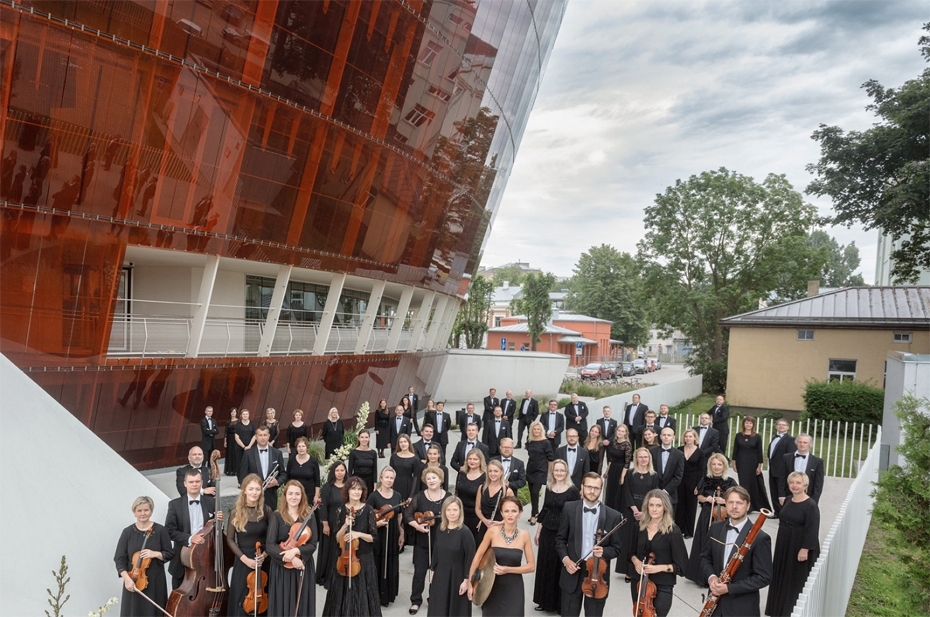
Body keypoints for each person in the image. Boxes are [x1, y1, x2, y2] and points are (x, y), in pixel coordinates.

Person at [555, 473, 624, 617]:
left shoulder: (614, 516)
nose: (592, 491)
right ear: (582, 487)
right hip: (572, 571)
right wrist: (566, 560)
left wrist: (604, 552)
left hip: (597, 575)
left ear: (601, 489)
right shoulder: (569, 509)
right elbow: (560, 540)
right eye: (589, 487)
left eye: (596, 488)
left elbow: (617, 549)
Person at [699, 486, 772, 617]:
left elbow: (763, 577)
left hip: (742, 609)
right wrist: (712, 577)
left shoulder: (760, 538)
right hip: (716, 607)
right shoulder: (715, 528)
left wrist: (729, 588)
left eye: (739, 503)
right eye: (731, 502)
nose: (734, 506)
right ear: (725, 504)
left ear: (748, 505)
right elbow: (705, 558)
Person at [321, 476, 382, 617]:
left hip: (363, 559)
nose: (356, 492)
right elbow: (336, 538)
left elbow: (374, 537)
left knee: (362, 594)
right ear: (347, 491)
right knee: (341, 594)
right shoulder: (341, 510)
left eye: (359, 489)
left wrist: (358, 534)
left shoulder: (368, 510)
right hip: (343, 559)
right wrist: (345, 525)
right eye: (353, 489)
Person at [468, 496, 536, 617]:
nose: (510, 514)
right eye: (506, 511)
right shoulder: (492, 532)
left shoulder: (524, 535)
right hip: (491, 587)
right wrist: (470, 584)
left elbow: (531, 566)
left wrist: (508, 569)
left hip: (514, 588)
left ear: (520, 513)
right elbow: (477, 557)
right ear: (501, 513)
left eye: (514, 511)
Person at [764, 472, 820, 617]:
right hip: (784, 544)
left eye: (798, 483)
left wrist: (805, 549)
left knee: (794, 578)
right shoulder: (788, 499)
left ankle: (790, 611)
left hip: (798, 546)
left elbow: (812, 529)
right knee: (782, 575)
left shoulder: (811, 505)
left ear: (805, 485)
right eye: (792, 483)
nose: (794, 485)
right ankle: (778, 610)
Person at [627, 489, 688, 617]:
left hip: (663, 585)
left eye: (658, 505)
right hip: (639, 582)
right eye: (651, 505)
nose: (654, 509)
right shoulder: (638, 526)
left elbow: (682, 567)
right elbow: (630, 553)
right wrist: (636, 561)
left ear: (665, 508)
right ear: (646, 507)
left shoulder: (673, 532)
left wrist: (659, 568)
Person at [532, 460, 580, 613]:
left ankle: (558, 604)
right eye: (556, 470)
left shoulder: (572, 490)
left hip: (562, 533)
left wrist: (570, 537)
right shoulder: (550, 487)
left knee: (558, 567)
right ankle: (544, 602)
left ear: (566, 472)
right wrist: (539, 529)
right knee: (545, 565)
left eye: (562, 470)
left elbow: (575, 515)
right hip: (547, 530)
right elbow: (545, 509)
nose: (559, 473)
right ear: (552, 472)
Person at [114, 496, 174, 617]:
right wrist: (127, 579)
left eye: (146, 510)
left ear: (151, 511)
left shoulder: (161, 531)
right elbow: (119, 559)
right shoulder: (127, 532)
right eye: (139, 510)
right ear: (134, 512)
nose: (143, 513)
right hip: (133, 581)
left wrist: (155, 554)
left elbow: (170, 553)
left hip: (155, 582)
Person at [685, 453, 738, 584]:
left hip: (724, 515)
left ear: (724, 466)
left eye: (719, 464)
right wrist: (706, 498)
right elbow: (699, 497)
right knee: (704, 542)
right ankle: (703, 576)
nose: (716, 467)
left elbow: (737, 498)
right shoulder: (705, 479)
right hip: (708, 514)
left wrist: (725, 500)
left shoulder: (730, 481)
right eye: (714, 464)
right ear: (710, 466)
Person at [225, 474, 272, 617]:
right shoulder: (236, 513)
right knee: (242, 597)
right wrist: (244, 558)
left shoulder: (267, 510)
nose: (254, 492)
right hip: (243, 560)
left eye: (257, 489)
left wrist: (264, 555)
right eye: (251, 489)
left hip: (262, 561)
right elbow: (230, 539)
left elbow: (271, 539)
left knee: (263, 597)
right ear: (244, 490)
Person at [165, 469, 220, 589]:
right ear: (185, 483)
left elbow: (217, 532)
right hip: (182, 560)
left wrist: (219, 522)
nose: (194, 484)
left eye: (197, 481)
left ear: (202, 482)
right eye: (191, 482)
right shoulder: (175, 504)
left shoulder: (211, 502)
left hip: (206, 558)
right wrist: (190, 538)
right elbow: (169, 531)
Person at [406, 468, 450, 614]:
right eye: (429, 478)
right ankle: (415, 600)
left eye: (434, 478)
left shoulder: (448, 497)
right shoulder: (419, 496)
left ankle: (434, 598)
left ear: (440, 479)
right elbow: (408, 515)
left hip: (442, 543)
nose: (431, 481)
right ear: (425, 481)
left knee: (438, 573)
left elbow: (455, 516)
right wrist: (417, 526)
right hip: (422, 542)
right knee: (419, 573)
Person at [428, 496, 476, 617]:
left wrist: (466, 581)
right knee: (438, 607)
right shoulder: (441, 529)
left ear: (460, 511)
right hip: (440, 575)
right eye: (448, 510)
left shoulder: (465, 532)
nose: (452, 513)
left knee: (455, 610)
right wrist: (432, 571)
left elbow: (470, 558)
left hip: (457, 577)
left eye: (455, 510)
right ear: (444, 511)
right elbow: (436, 552)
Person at [616, 448, 660, 579]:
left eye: (645, 457)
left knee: (642, 539)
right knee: (629, 539)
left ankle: (642, 567)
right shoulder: (630, 473)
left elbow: (654, 495)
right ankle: (628, 570)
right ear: (636, 459)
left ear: (649, 458)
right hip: (631, 510)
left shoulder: (654, 475)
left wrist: (644, 511)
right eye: (640, 457)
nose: (643, 459)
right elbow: (626, 492)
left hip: (647, 510)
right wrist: (635, 510)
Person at [368, 466, 405, 608]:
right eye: (386, 477)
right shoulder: (373, 496)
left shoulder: (397, 495)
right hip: (378, 535)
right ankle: (376, 595)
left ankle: (388, 594)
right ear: (381, 478)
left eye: (391, 478)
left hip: (392, 533)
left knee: (391, 562)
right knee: (377, 562)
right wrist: (377, 524)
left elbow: (399, 515)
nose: (389, 480)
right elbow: (369, 516)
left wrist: (401, 533)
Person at [239, 425, 287, 510]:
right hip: (253, 497)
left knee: (271, 521)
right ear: (256, 437)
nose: (263, 438)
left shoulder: (277, 453)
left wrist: (277, 482)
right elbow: (242, 477)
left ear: (269, 436)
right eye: (260, 435)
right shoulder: (248, 454)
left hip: (271, 496)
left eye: (265, 435)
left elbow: (283, 474)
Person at [731, 416, 771, 513]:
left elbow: (759, 451)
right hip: (741, 461)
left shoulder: (757, 436)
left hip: (753, 462)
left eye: (750, 423)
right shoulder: (738, 435)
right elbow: (735, 450)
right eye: (746, 423)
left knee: (752, 484)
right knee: (743, 484)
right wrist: (734, 463)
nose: (748, 425)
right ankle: (744, 505)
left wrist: (759, 466)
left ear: (753, 425)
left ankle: (752, 505)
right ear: (743, 424)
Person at [317, 461, 346, 588]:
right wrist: (325, 524)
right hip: (331, 523)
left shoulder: (350, 486)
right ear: (333, 472)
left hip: (345, 523)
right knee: (331, 549)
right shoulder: (327, 487)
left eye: (342, 470)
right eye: (337, 470)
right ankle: (329, 575)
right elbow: (322, 507)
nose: (340, 473)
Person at [675, 428, 705, 538]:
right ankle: (678, 530)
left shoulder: (700, 452)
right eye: (686, 436)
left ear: (694, 438)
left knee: (691, 507)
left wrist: (699, 485)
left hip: (693, 481)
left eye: (690, 436)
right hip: (679, 481)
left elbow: (701, 470)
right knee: (679, 506)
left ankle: (688, 531)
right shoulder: (679, 449)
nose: (688, 438)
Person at [455, 449, 487, 544]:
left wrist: (483, 518)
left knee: (473, 543)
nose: (472, 461)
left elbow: (485, 500)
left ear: (480, 460)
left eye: (475, 459)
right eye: (470, 459)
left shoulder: (485, 477)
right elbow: (457, 492)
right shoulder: (462, 473)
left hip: (475, 516)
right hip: (460, 514)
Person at [525, 420, 555, 525]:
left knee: (535, 492)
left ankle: (533, 516)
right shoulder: (530, 441)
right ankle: (536, 511)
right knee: (532, 494)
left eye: (538, 429)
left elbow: (550, 458)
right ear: (531, 430)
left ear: (541, 430)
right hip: (530, 470)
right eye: (534, 429)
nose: (536, 431)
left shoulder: (545, 442)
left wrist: (549, 473)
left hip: (541, 471)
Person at [782, 433, 824, 504]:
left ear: (810, 445)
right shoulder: (786, 458)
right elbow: (782, 478)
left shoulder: (817, 462)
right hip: (788, 495)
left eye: (805, 442)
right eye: (800, 442)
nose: (802, 444)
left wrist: (814, 500)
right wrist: (781, 495)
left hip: (808, 496)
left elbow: (818, 483)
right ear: (796, 443)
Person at [650, 427, 685, 516]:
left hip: (670, 494)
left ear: (673, 437)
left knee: (668, 523)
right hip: (653, 491)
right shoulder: (652, 451)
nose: (666, 437)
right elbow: (650, 471)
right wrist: (657, 489)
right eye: (664, 435)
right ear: (660, 436)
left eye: (669, 435)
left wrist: (665, 491)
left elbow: (678, 476)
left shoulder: (679, 454)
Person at [766, 418, 797, 518]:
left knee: (782, 492)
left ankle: (784, 512)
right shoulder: (774, 438)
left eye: (783, 425)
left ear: (787, 427)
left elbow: (790, 456)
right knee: (773, 491)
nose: (781, 426)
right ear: (776, 426)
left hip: (782, 470)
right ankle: (777, 512)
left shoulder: (790, 440)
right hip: (773, 469)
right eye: (779, 424)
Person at [476, 460, 514, 537]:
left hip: (500, 527)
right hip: (485, 525)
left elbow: (513, 514)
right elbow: (478, 508)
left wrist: (499, 523)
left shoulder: (507, 491)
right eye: (490, 471)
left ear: (501, 472)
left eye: (496, 471)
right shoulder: (482, 488)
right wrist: (484, 520)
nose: (492, 474)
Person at [604, 424, 633, 511]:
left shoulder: (627, 445)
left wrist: (622, 476)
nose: (620, 432)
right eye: (619, 430)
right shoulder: (614, 442)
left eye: (622, 431)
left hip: (621, 470)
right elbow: (611, 459)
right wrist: (607, 471)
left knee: (618, 493)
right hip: (612, 469)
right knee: (610, 491)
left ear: (625, 433)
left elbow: (627, 463)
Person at [287, 436, 322, 503]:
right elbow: (287, 478)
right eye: (299, 446)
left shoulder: (313, 461)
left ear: (307, 448)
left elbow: (317, 480)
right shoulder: (291, 460)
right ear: (296, 448)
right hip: (295, 495)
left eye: (303, 446)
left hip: (309, 495)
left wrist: (316, 496)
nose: (301, 448)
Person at [391, 433, 420, 501]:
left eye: (405, 441)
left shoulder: (415, 459)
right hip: (396, 484)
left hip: (408, 486)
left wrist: (411, 495)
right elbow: (391, 473)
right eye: (401, 442)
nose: (403, 444)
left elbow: (416, 477)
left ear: (409, 443)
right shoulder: (394, 457)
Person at [348, 429, 378, 494]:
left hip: (369, 482)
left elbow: (375, 470)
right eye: (362, 437)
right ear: (358, 438)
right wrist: (350, 484)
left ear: (369, 438)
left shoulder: (373, 453)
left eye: (366, 437)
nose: (364, 439)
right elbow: (350, 471)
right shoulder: (353, 453)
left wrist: (375, 485)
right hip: (357, 481)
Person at [225, 408, 241, 476]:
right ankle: (229, 470)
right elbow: (225, 432)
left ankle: (235, 470)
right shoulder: (228, 421)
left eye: (234, 412)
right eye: (232, 412)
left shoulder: (239, 421)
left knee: (235, 453)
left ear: (236, 413)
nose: (233, 413)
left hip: (236, 438)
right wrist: (225, 441)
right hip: (229, 438)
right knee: (229, 453)